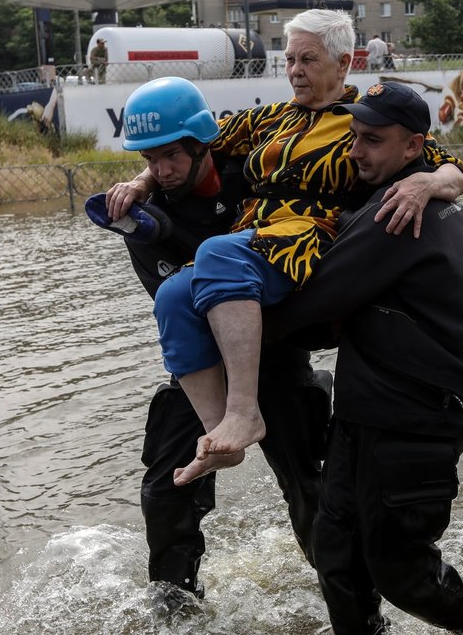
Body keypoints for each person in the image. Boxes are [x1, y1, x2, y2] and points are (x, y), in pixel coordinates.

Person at [105, 9, 463, 486]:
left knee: (216, 252)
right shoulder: (269, 118)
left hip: (308, 236)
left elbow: (452, 170)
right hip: (249, 238)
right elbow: (198, 141)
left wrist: (424, 183)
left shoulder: (365, 121)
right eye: (290, 58)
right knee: (173, 296)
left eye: (309, 60)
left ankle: (244, 411)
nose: (295, 70)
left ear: (344, 63)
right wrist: (142, 179)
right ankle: (219, 437)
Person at [265, 81, 463, 634]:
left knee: (402, 571)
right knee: (337, 554)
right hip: (366, 408)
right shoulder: (412, 191)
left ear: (413, 148)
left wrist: (223, 318)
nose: (355, 151)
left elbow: (312, 301)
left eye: (372, 140)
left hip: (413, 415)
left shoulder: (401, 210)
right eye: (353, 136)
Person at [88, 77, 331, 605]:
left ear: (204, 144)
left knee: (310, 485)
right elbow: (179, 308)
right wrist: (146, 186)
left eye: (172, 156)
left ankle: (346, 595)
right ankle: (177, 607)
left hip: (278, 353)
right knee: (167, 488)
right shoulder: (146, 219)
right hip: (201, 368)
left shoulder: (252, 172)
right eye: (150, 160)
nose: (162, 171)